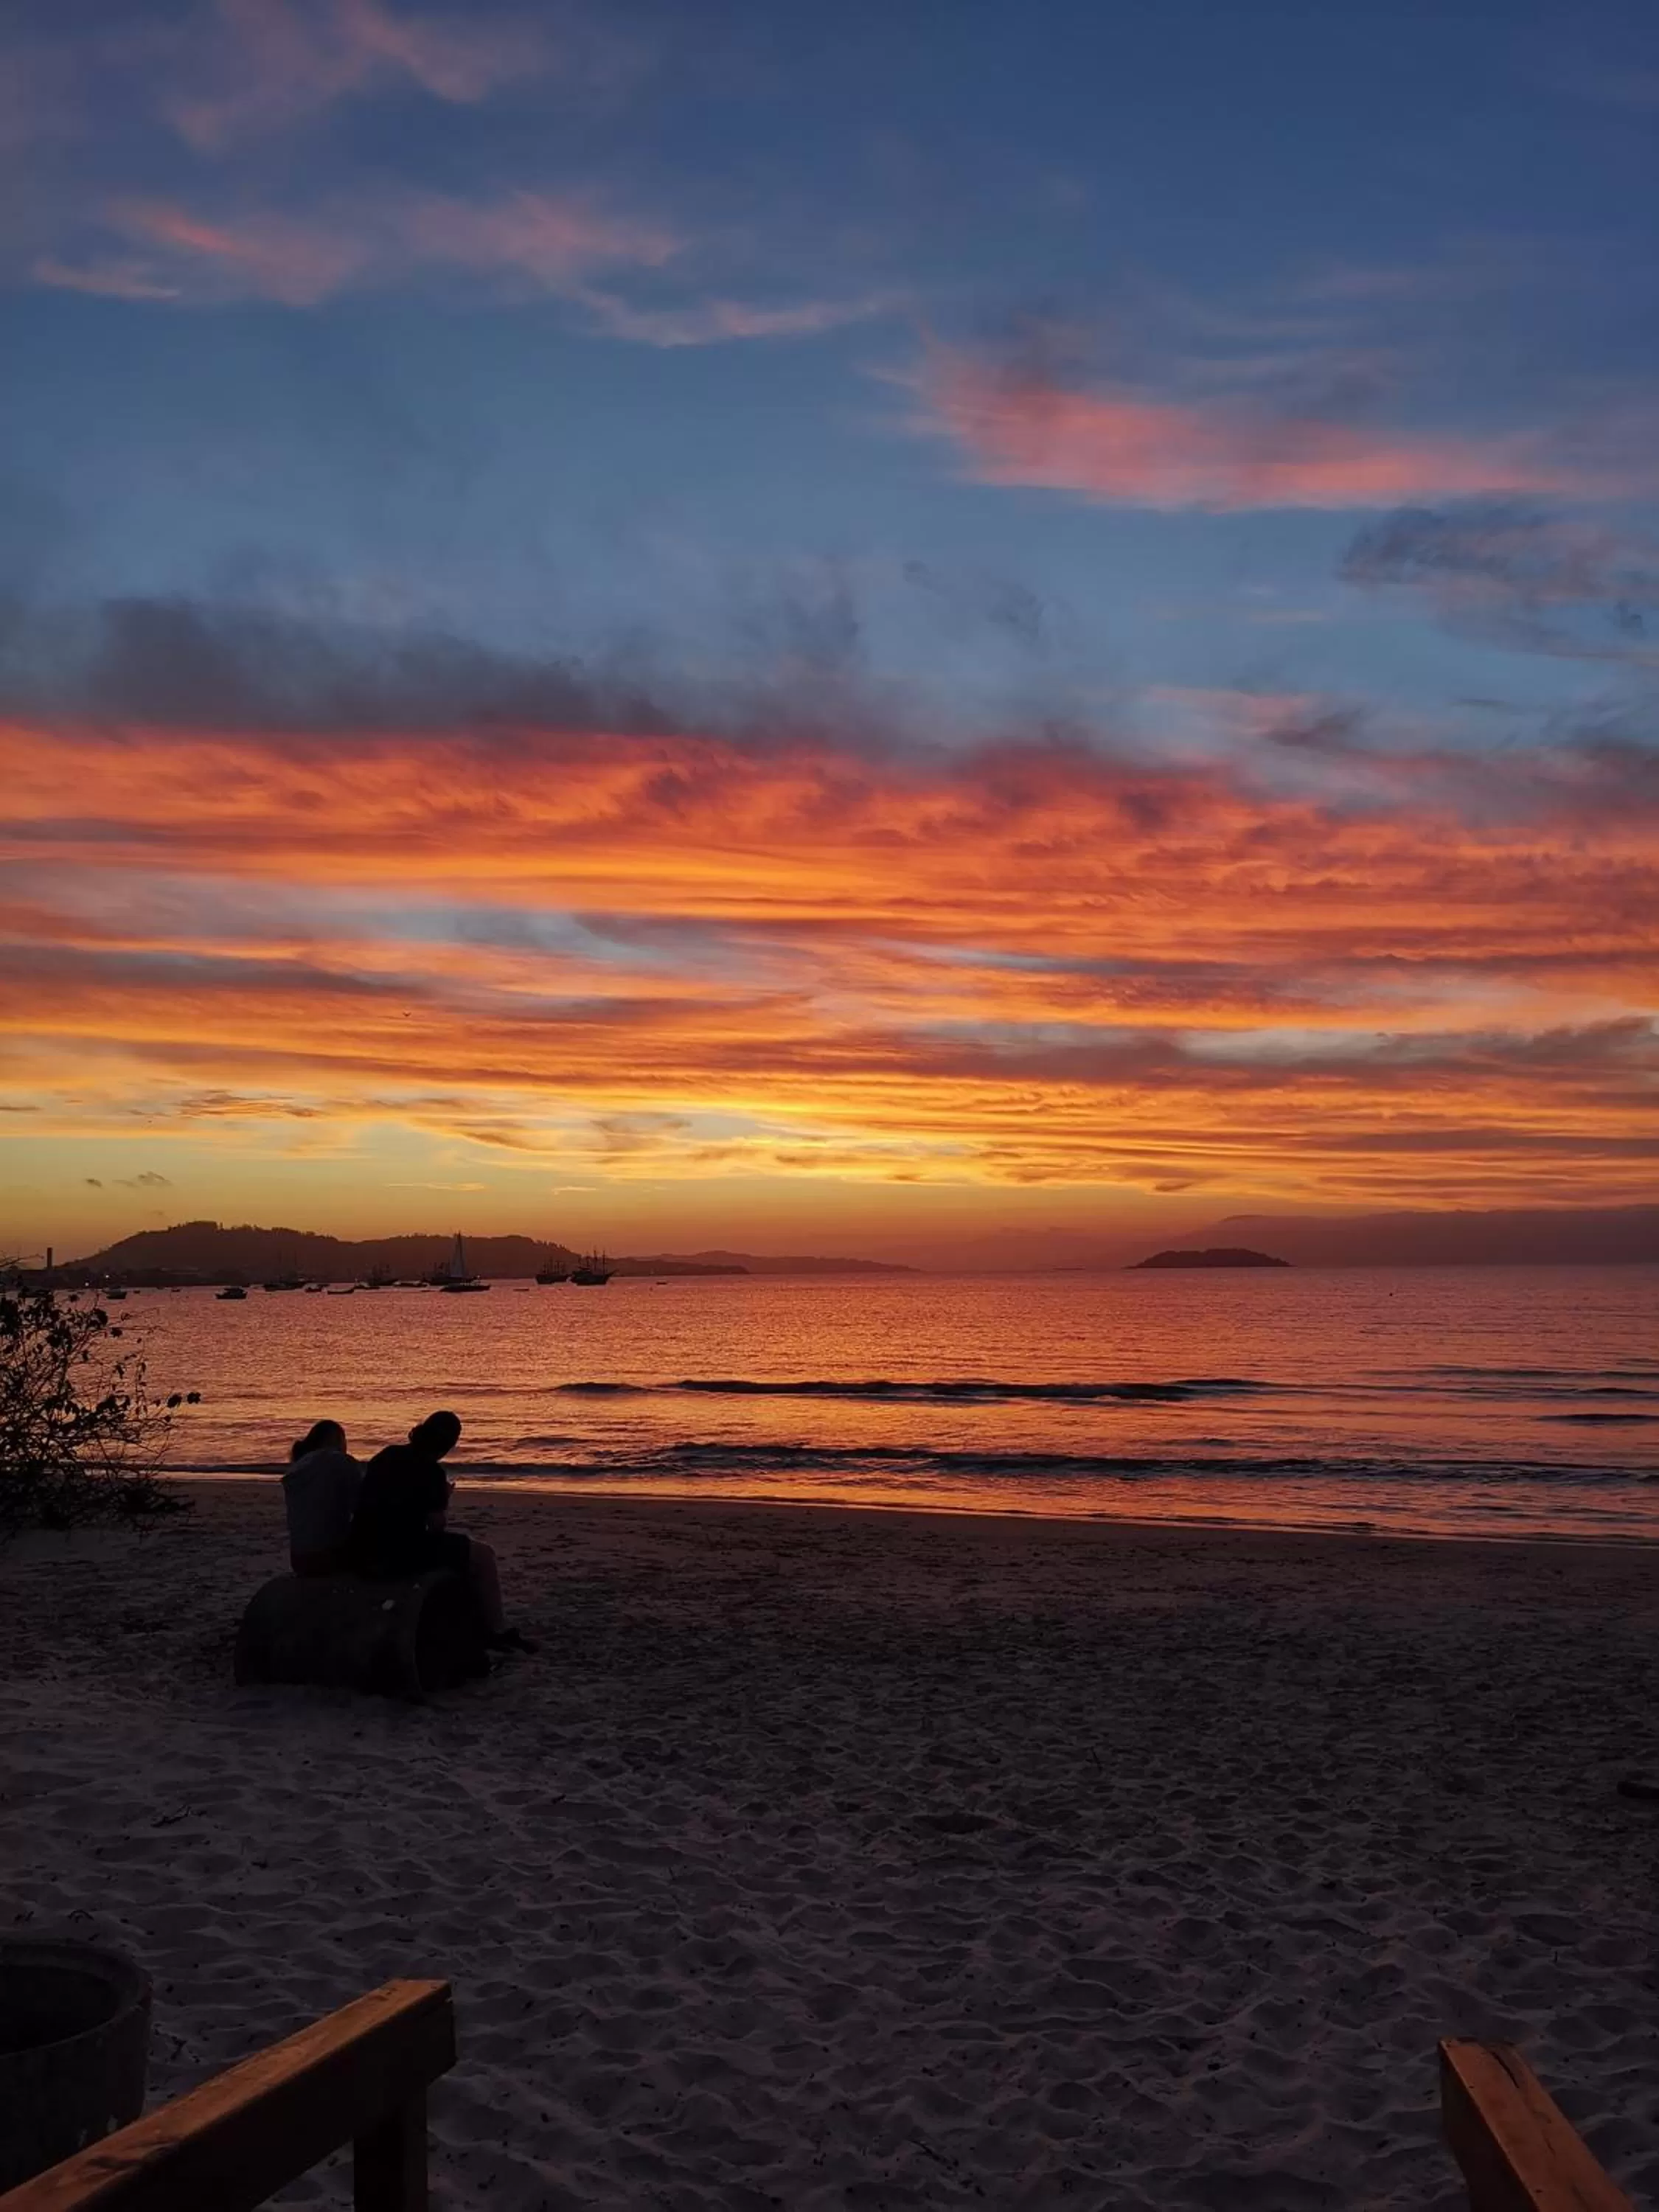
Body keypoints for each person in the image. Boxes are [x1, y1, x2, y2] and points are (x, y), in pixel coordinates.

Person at [347, 1411, 532, 1654]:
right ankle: (495, 1631)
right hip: (398, 1553)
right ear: (450, 1444)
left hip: (364, 1547)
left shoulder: (387, 1455)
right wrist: (444, 1497)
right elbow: (436, 1526)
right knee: (482, 1555)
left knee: (458, 1551)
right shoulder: (431, 1472)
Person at [281, 1419, 363, 1577]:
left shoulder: (297, 1470)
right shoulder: (340, 1462)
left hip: (299, 1558)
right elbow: (362, 1506)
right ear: (336, 1439)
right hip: (329, 1555)